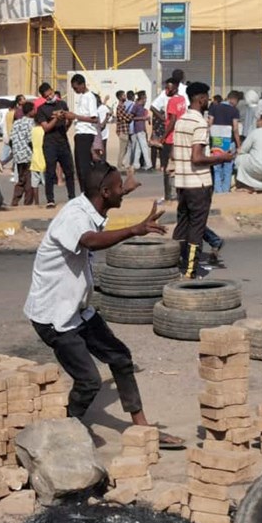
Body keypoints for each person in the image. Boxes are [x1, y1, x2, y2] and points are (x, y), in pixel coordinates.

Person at [24, 160, 184, 449]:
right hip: (53, 317)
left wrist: (126, 190)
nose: (123, 191)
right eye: (120, 188)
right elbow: (90, 241)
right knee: (89, 382)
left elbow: (104, 204)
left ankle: (142, 428)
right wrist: (133, 230)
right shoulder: (73, 217)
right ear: (106, 191)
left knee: (120, 357)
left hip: (78, 310)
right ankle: (65, 430)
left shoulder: (92, 205)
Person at [171, 82, 235, 278]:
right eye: (206, 97)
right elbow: (197, 158)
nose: (208, 101)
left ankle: (179, 265)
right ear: (200, 99)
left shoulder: (181, 121)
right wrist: (221, 158)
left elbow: (176, 154)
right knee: (196, 229)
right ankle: (191, 271)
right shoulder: (199, 123)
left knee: (182, 227)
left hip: (182, 184)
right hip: (198, 184)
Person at [35, 82, 75, 208]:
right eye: (46, 96)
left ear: (52, 91)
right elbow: (46, 128)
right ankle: (50, 199)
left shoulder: (62, 104)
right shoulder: (41, 110)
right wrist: (56, 118)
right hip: (49, 144)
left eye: (50, 94)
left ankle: (72, 197)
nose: (49, 97)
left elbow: (67, 124)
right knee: (50, 172)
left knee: (69, 171)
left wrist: (69, 120)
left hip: (63, 142)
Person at [68, 74, 99, 192]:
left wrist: (75, 116)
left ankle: (88, 192)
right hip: (80, 133)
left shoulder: (89, 97)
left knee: (84, 166)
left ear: (82, 85)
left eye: (76, 88)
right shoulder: (82, 97)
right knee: (80, 166)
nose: (75, 90)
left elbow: (94, 118)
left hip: (86, 133)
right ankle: (83, 191)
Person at [207, 91, 241, 194]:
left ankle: (218, 190)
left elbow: (210, 124)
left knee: (216, 167)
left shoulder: (214, 107)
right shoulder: (234, 110)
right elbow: (235, 128)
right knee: (228, 167)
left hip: (216, 141)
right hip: (229, 141)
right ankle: (226, 191)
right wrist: (239, 145)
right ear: (233, 100)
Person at [7, 102, 36, 206]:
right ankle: (28, 203)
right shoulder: (31, 123)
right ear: (31, 111)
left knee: (21, 179)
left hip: (18, 156)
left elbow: (11, 139)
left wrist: (15, 151)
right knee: (29, 181)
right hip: (28, 155)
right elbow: (30, 140)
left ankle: (14, 202)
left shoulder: (17, 122)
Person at [161, 77, 185, 201]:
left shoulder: (172, 101)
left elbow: (173, 120)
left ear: (174, 88)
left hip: (171, 138)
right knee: (179, 167)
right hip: (180, 137)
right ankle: (179, 194)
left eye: (168, 87)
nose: (166, 90)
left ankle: (168, 195)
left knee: (167, 168)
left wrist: (163, 137)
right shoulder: (182, 99)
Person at [235, 106, 262, 193]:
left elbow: (242, 150)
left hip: (258, 168)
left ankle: (248, 185)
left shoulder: (255, 132)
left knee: (240, 158)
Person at [129, 91, 152, 171]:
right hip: (138, 128)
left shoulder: (141, 107)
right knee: (144, 147)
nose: (146, 100)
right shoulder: (136, 106)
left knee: (139, 148)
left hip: (141, 128)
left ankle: (136, 164)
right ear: (142, 98)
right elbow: (131, 117)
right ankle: (148, 164)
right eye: (145, 98)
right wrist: (143, 118)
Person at [29, 115, 46, 206]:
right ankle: (49, 200)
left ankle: (36, 202)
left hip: (34, 158)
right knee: (46, 182)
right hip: (43, 158)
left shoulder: (32, 130)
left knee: (34, 184)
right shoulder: (44, 130)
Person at [114, 90, 133, 169]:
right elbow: (124, 118)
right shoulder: (120, 107)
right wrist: (131, 115)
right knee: (122, 149)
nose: (125, 96)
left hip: (124, 130)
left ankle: (121, 163)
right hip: (123, 131)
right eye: (123, 95)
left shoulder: (122, 106)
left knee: (125, 148)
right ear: (120, 97)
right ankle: (119, 165)